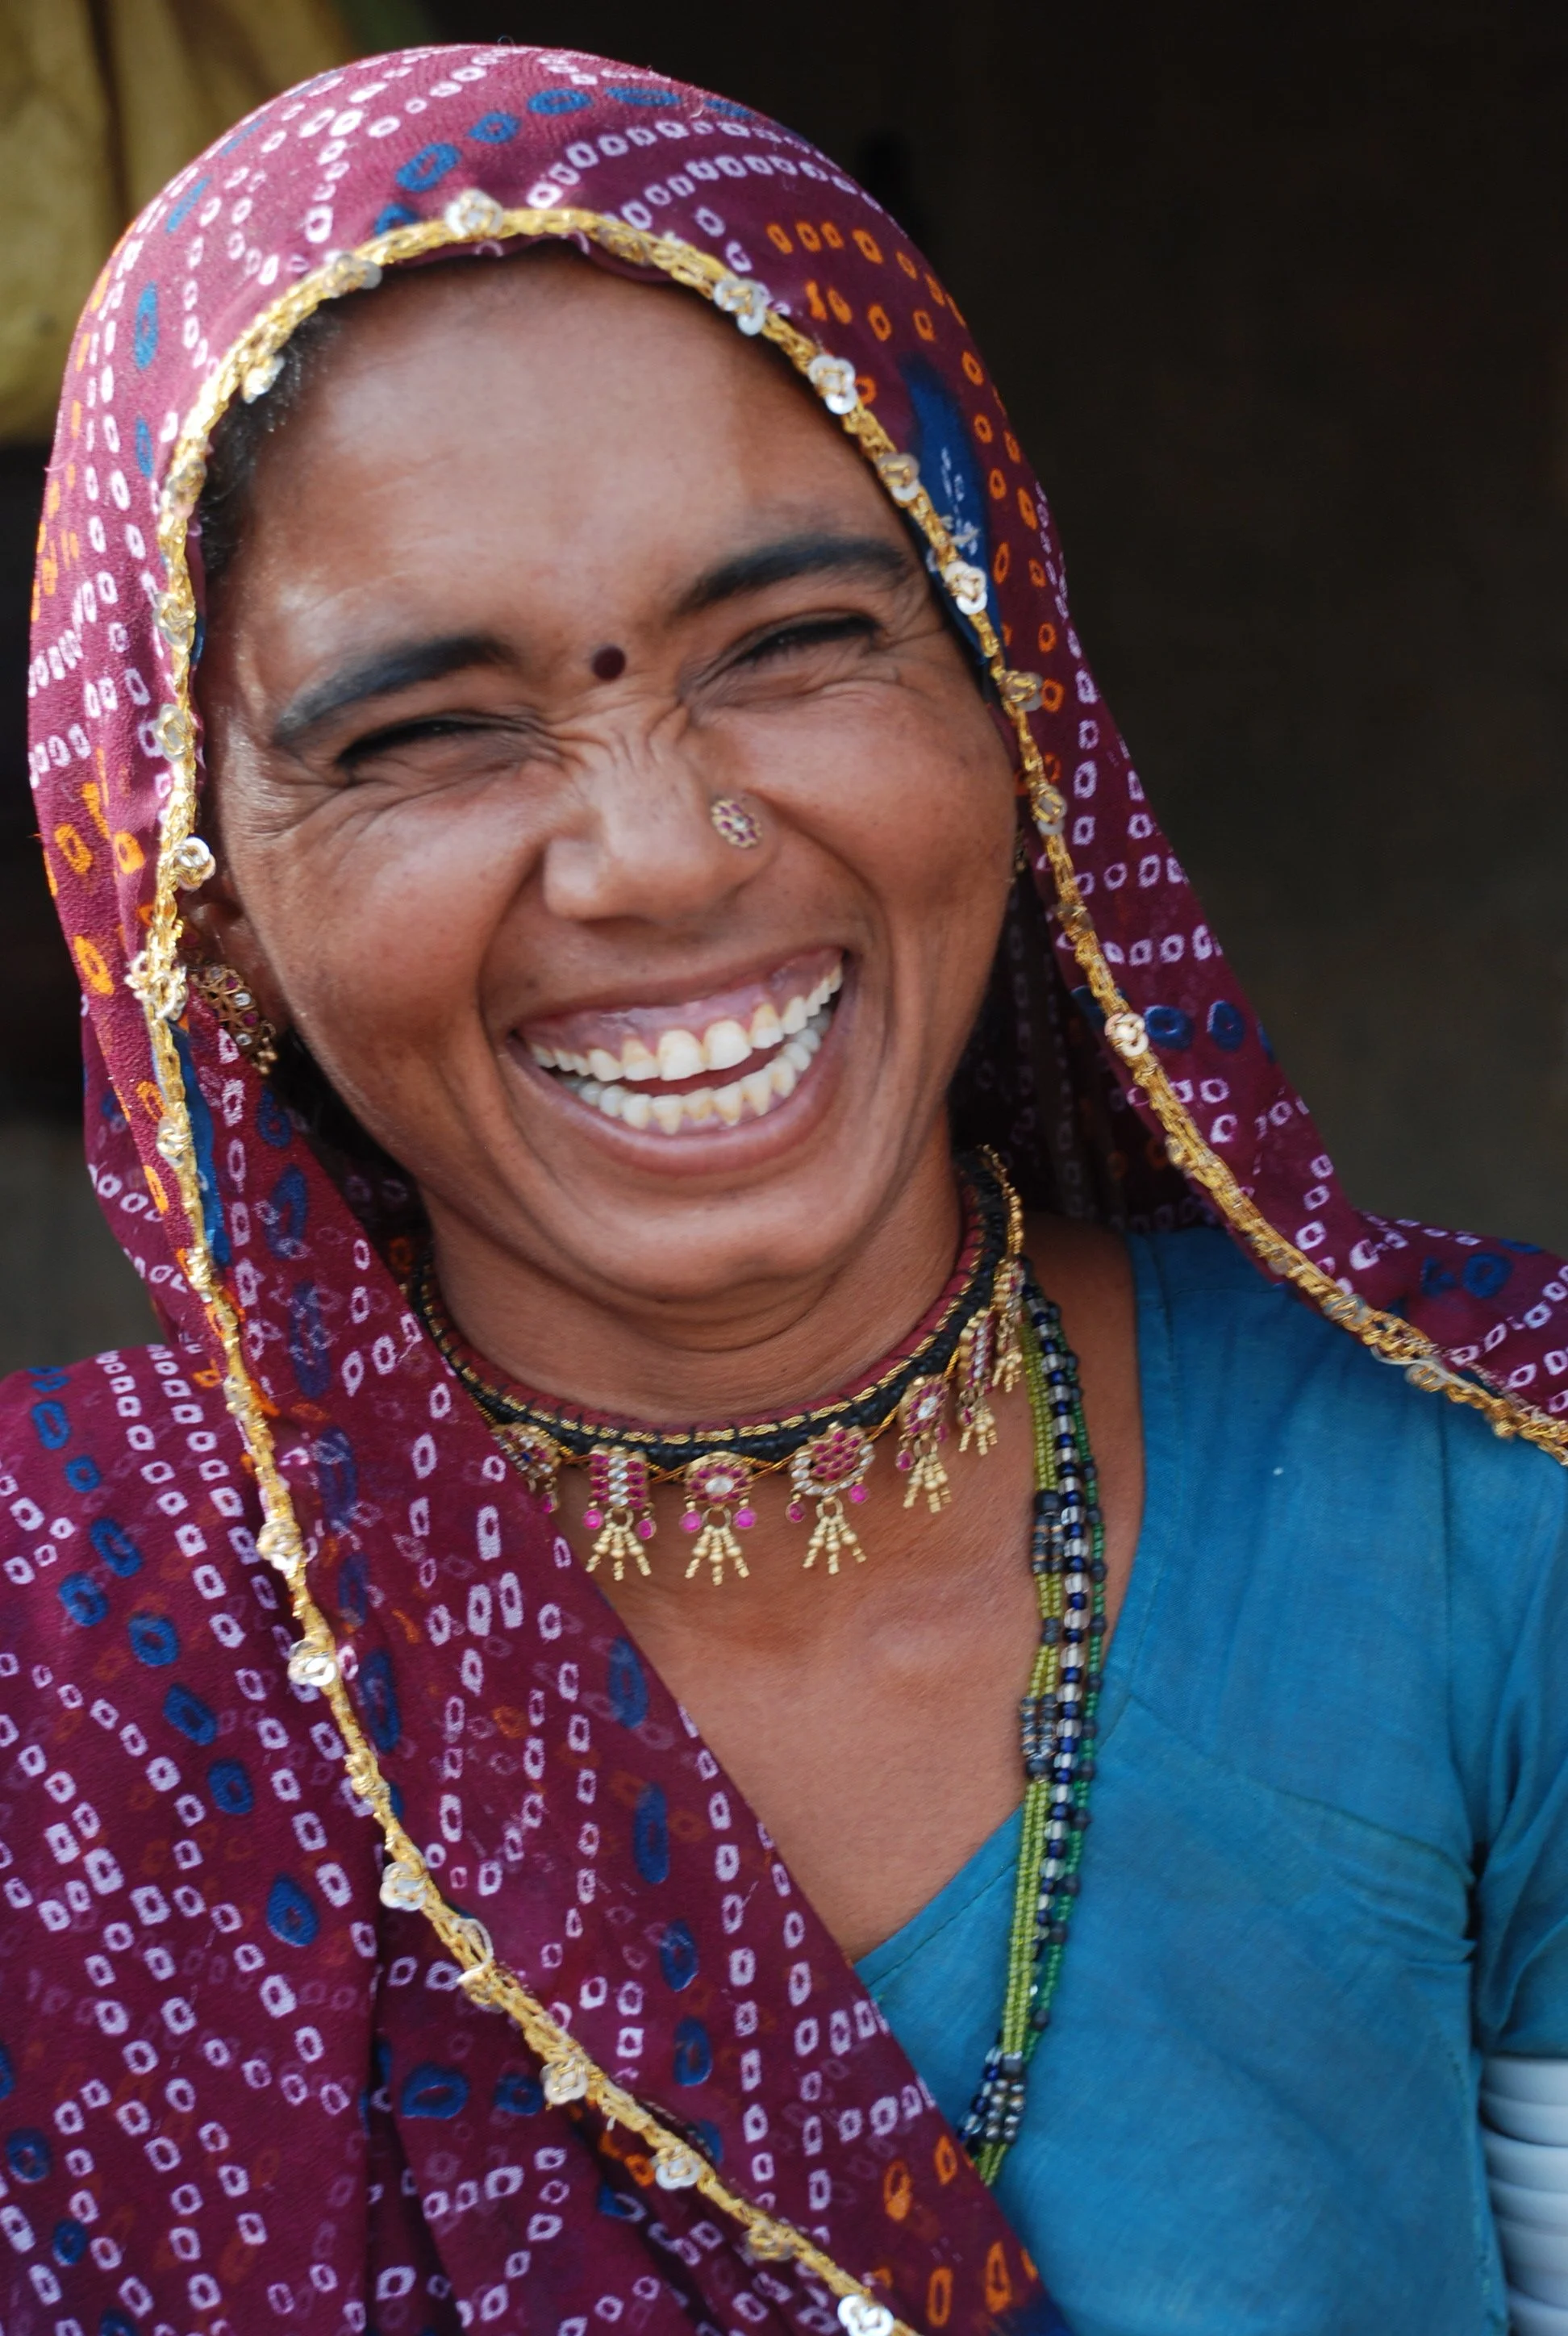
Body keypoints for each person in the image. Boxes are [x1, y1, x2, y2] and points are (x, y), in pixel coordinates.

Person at [10, 40, 1568, 2336]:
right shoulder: (59, 1664)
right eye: (426, 733)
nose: (659, 854)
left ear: (1007, 690)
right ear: (199, 898)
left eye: (802, 643)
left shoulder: (1482, 1508)